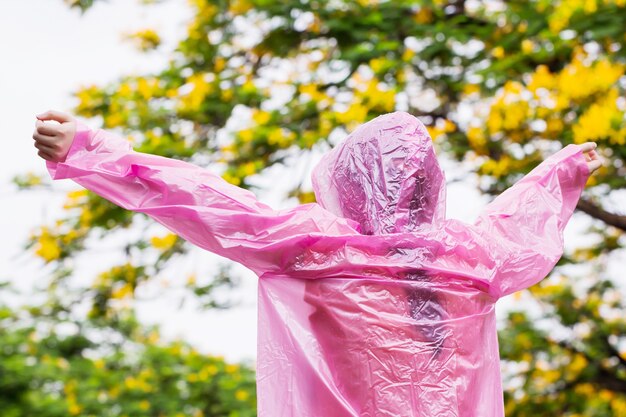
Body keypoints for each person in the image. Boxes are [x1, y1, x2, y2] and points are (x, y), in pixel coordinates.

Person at [32, 109, 601, 417]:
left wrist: (90, 150)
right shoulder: (474, 260)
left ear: (346, 185)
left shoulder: (316, 248)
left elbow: (203, 199)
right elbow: (522, 224)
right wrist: (564, 169)